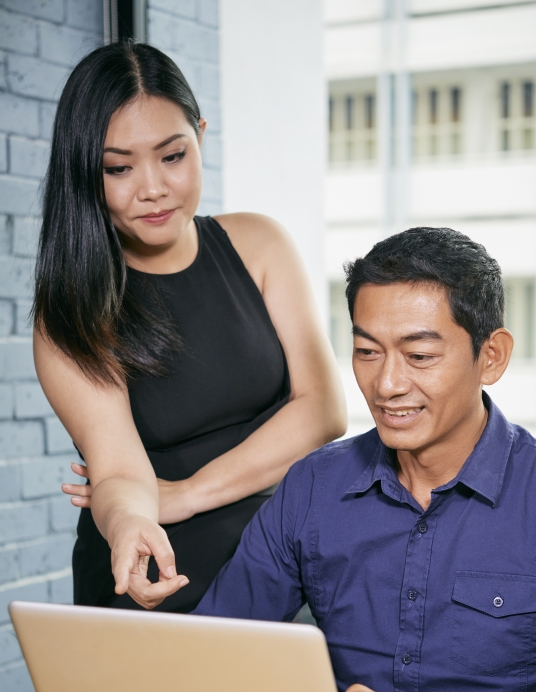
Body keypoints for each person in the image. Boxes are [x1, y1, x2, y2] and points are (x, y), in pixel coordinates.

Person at [187, 228, 536, 692]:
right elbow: (213, 657)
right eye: (366, 352)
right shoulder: (314, 486)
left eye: (419, 355)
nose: (386, 384)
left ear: (491, 357)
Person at [33, 41, 347, 613]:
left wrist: (186, 494)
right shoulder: (73, 310)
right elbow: (120, 474)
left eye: (172, 156)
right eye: (119, 167)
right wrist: (130, 519)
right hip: (163, 573)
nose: (151, 187)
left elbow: (323, 409)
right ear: (85, 173)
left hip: (293, 559)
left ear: (200, 136)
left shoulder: (260, 244)